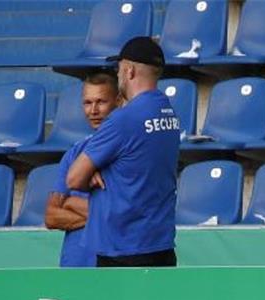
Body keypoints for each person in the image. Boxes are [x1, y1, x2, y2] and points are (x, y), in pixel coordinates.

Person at [66, 36, 181, 267]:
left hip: (123, 248)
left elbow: (74, 179)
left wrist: (93, 170)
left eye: (118, 69)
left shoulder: (124, 119)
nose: (117, 75)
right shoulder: (169, 114)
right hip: (159, 243)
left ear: (128, 71)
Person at [44, 71, 120, 267]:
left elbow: (121, 216)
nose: (93, 110)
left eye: (101, 102)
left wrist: (71, 204)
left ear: (118, 101)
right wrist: (100, 218)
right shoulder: (75, 152)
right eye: (87, 102)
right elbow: (51, 216)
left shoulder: (127, 152)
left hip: (112, 266)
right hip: (74, 266)